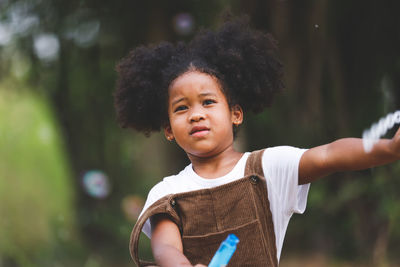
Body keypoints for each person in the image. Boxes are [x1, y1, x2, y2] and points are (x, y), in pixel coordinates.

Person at [114, 16, 400, 267]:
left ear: (235, 114)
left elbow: (328, 155)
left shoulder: (268, 168)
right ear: (168, 129)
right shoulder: (166, 193)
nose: (196, 115)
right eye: (181, 108)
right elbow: (165, 248)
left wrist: (389, 148)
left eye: (208, 102)